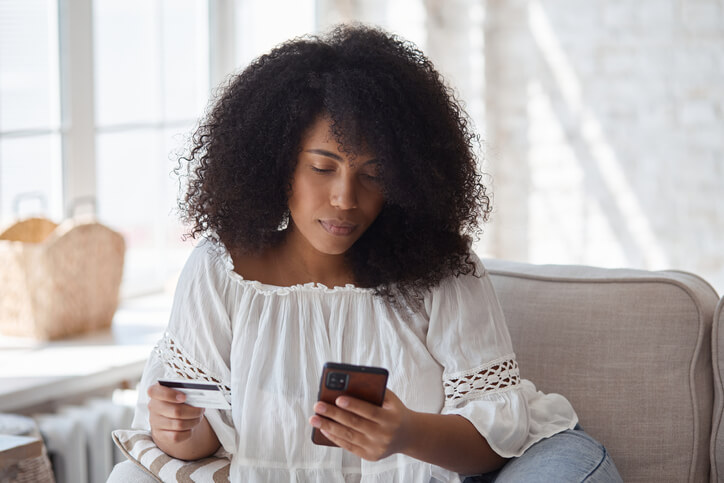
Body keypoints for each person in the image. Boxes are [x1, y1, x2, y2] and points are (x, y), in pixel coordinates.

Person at [109, 24, 622, 482]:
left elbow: (497, 443)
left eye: (373, 173)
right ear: (278, 160)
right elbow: (193, 445)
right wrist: (177, 425)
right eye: (323, 167)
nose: (345, 199)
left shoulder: (442, 270)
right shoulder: (220, 270)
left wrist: (406, 434)